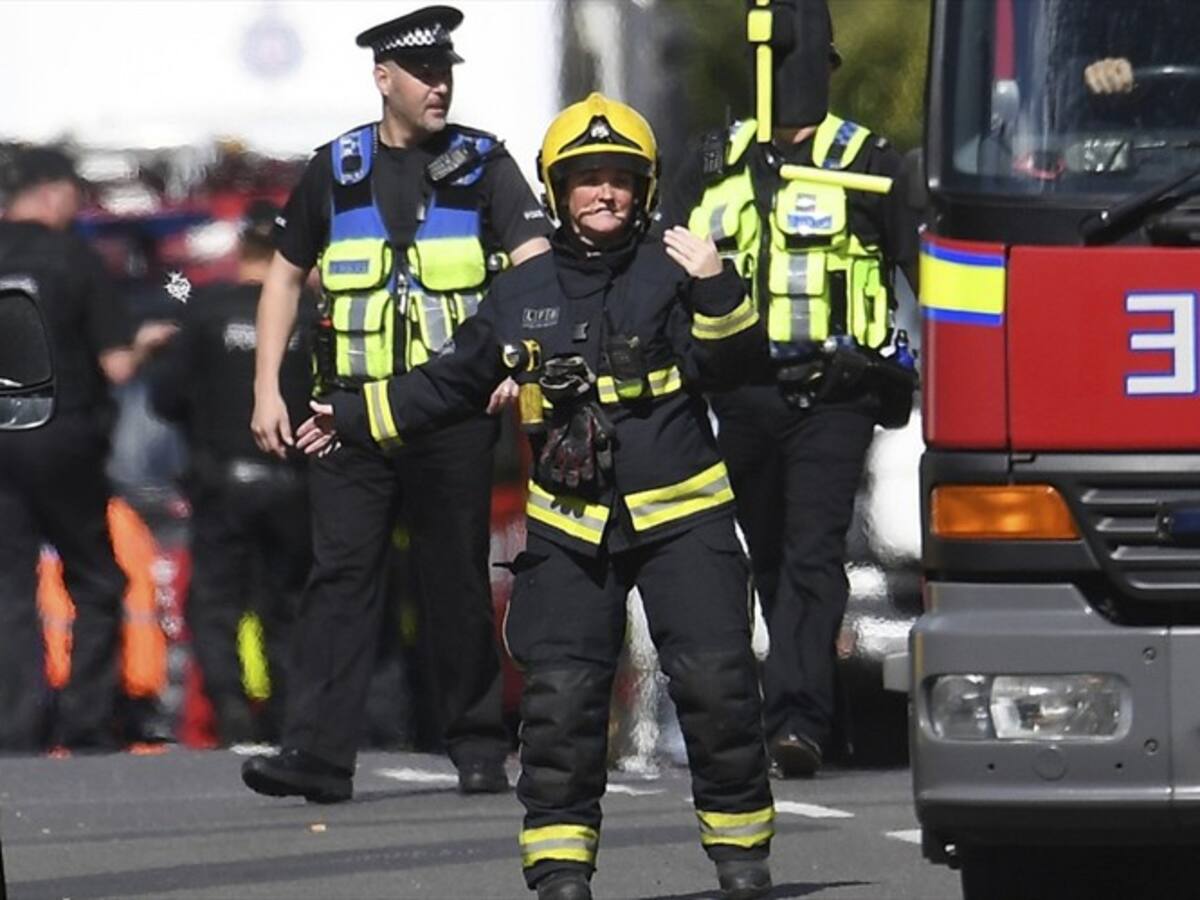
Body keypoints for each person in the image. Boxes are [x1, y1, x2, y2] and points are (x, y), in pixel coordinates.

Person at [296, 92, 776, 900]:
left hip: (684, 517)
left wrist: (720, 286)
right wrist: (352, 414)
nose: (603, 194)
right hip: (568, 524)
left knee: (717, 686)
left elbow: (740, 370)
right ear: (556, 192)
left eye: (620, 180)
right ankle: (559, 872)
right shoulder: (521, 291)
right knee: (560, 703)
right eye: (585, 179)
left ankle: (741, 859)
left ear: (645, 189)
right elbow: (450, 382)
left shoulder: (680, 261)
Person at [242, 5, 551, 801]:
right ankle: (316, 753)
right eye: (424, 74)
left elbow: (534, 264)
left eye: (446, 72)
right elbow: (282, 276)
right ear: (385, 79)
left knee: (452, 579)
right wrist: (266, 387)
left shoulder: (485, 164)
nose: (439, 86)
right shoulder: (335, 168)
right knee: (341, 578)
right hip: (343, 416)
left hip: (447, 416)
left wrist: (522, 355)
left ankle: (479, 745)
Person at [660, 0, 920, 778]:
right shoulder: (711, 162)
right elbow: (662, 275)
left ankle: (797, 720)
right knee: (768, 558)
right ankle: (811, 710)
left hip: (835, 395)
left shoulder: (873, 163)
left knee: (812, 554)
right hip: (739, 395)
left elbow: (933, 279)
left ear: (829, 70)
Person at [0, 146, 175, 752]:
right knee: (98, 578)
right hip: (62, 433)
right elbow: (118, 365)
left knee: (8, 584)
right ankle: (87, 720)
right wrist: (148, 343)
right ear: (51, 191)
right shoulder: (73, 256)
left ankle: (16, 729)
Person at [148, 201, 314, 746]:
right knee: (285, 604)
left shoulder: (206, 310)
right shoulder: (308, 313)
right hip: (293, 481)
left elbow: (164, 396)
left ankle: (229, 705)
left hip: (222, 480)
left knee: (216, 602)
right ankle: (288, 716)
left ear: (243, 249)